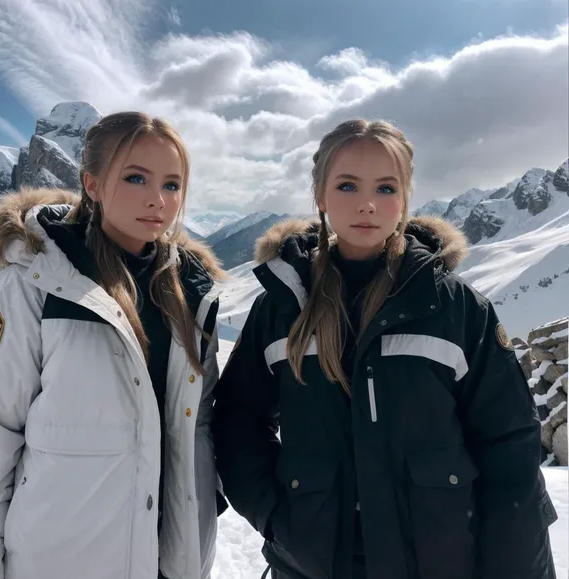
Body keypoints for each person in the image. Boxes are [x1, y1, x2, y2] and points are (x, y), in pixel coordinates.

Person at [212, 119, 558, 579]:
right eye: (348, 186)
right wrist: (275, 517)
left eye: (387, 188)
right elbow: (238, 419)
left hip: (438, 560)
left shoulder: (455, 307)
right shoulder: (280, 308)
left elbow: (508, 445)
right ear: (320, 196)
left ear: (406, 198)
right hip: (311, 563)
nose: (368, 204)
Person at [0, 111, 227, 579]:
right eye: (135, 178)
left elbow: (201, 429)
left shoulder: (193, 293)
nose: (158, 199)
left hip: (176, 564)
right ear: (92, 184)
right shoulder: (35, 284)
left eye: (172, 184)